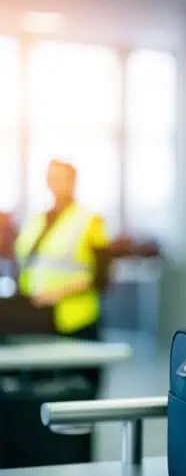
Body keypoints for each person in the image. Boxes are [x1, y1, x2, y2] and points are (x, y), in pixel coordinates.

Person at [14, 159, 112, 390]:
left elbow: (102, 276)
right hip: (39, 318)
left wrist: (56, 293)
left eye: (62, 178)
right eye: (51, 178)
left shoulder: (89, 220)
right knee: (41, 388)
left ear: (73, 181)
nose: (56, 184)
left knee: (78, 388)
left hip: (77, 319)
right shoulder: (37, 220)